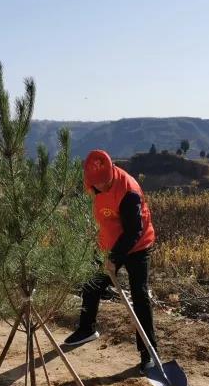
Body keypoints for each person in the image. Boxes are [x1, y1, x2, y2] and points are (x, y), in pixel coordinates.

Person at [63, 149, 159, 373]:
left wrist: (115, 259)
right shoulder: (93, 184)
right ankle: (87, 329)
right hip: (107, 243)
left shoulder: (129, 191)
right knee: (92, 284)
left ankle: (149, 353)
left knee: (140, 295)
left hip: (136, 245)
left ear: (112, 173)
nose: (102, 188)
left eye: (105, 184)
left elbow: (133, 231)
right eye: (98, 185)